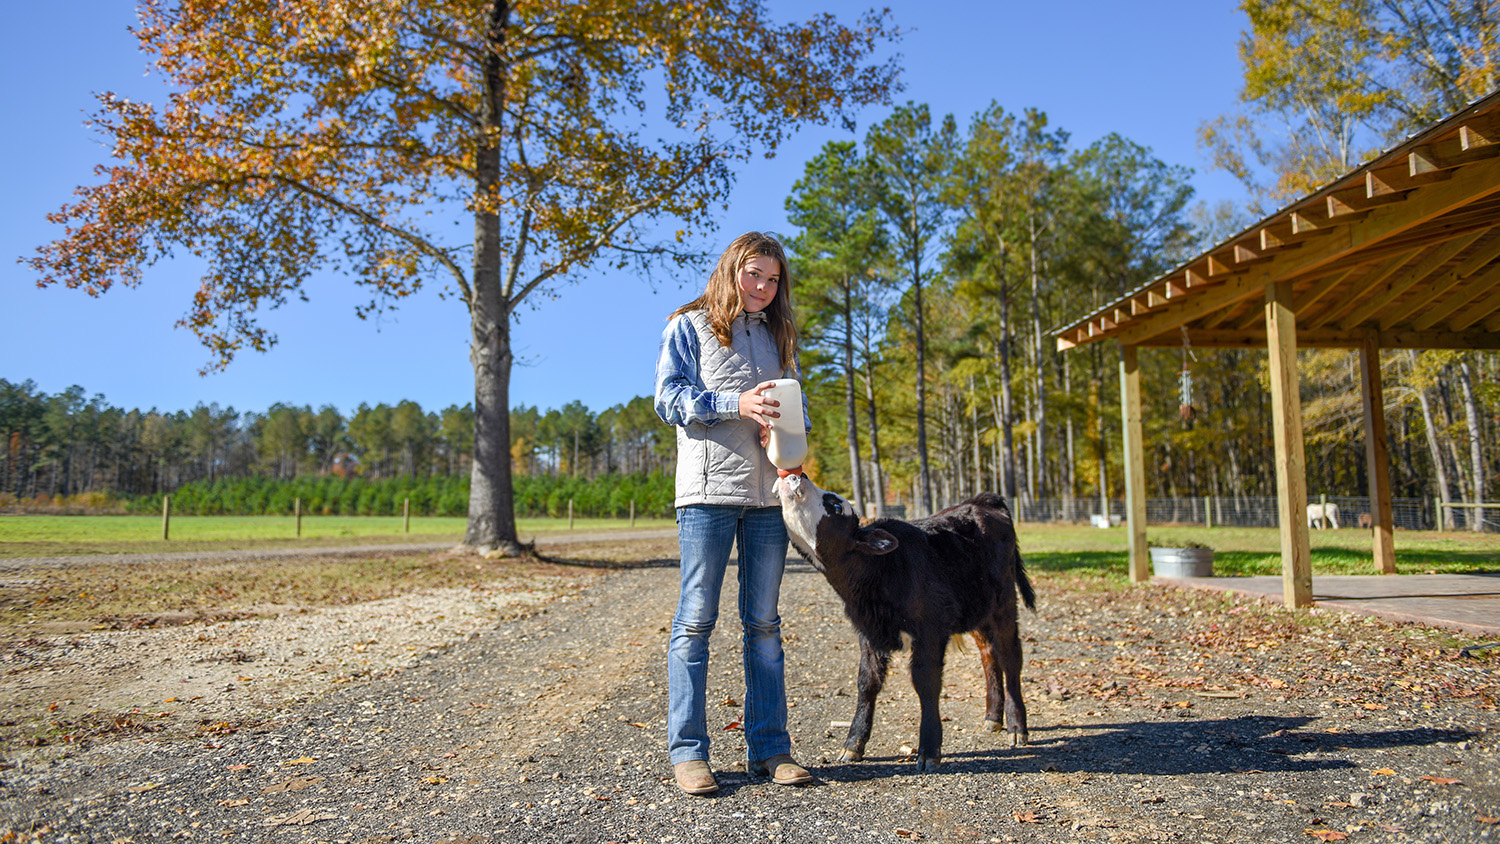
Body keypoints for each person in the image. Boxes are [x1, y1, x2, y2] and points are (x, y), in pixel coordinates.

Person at [653, 231, 811, 796]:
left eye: (772, 279)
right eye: (754, 275)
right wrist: (734, 404)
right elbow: (668, 399)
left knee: (764, 625)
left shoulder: (780, 333)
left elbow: (800, 411)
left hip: (769, 499)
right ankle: (690, 753)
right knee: (695, 622)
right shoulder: (688, 326)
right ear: (730, 270)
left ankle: (771, 750)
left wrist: (787, 435)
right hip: (706, 495)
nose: (763, 288)